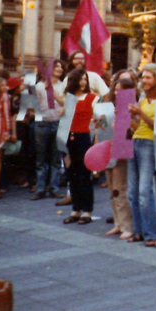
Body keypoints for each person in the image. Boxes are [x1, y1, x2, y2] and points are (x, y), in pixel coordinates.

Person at [127, 64, 156, 245]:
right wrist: (127, 119)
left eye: (148, 77)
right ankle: (139, 231)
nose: (144, 80)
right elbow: (139, 127)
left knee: (144, 191)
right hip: (135, 142)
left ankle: (152, 233)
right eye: (142, 77)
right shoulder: (143, 99)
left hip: (150, 145)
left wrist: (140, 113)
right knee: (132, 192)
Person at [99, 71, 135, 240]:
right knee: (112, 189)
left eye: (120, 90)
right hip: (109, 148)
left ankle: (127, 225)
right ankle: (118, 223)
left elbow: (133, 129)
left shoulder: (129, 108)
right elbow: (103, 127)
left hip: (121, 149)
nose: (116, 93)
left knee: (118, 189)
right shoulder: (111, 106)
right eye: (115, 90)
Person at [60, 68, 97, 224]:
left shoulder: (92, 98)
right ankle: (75, 209)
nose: (83, 82)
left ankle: (87, 211)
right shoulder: (68, 98)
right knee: (72, 175)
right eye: (81, 79)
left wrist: (96, 142)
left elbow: (100, 120)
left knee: (84, 175)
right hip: (68, 138)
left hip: (83, 138)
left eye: (85, 79)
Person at [31, 60, 65, 201]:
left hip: (58, 123)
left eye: (61, 67)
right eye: (56, 66)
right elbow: (32, 106)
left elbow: (66, 103)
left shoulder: (64, 86)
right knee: (41, 159)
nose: (60, 69)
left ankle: (54, 188)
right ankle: (40, 189)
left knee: (56, 159)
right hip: (42, 124)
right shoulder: (39, 86)